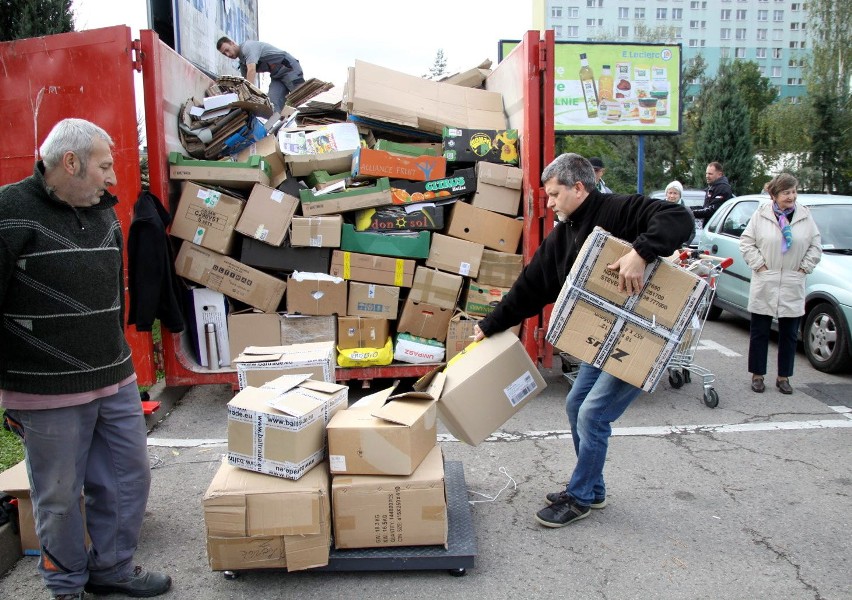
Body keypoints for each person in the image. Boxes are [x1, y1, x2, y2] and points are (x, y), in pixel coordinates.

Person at [473, 153, 693, 528]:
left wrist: (641, 251)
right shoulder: (564, 234)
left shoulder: (619, 210)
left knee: (593, 413)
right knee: (576, 402)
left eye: (555, 194)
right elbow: (531, 286)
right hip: (604, 336)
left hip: (642, 337)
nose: (550, 203)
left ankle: (579, 497)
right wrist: (490, 324)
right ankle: (593, 488)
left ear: (579, 187)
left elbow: (679, 219)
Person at [0, 119, 171, 600]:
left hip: (113, 377)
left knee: (126, 477)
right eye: (104, 165)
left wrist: (120, 360)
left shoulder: (100, 212)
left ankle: (112, 569)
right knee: (57, 497)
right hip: (45, 389)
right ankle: (66, 585)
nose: (112, 178)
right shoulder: (8, 211)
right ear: (70, 162)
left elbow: (113, 296)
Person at [739, 173, 821, 395]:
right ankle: (757, 375)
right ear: (774, 195)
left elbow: (815, 245)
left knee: (789, 334)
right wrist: (760, 266)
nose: (791, 196)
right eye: (786, 192)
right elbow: (747, 242)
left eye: (794, 191)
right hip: (766, 279)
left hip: (793, 281)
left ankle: (784, 377)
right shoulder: (761, 215)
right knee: (760, 331)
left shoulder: (805, 215)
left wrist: (805, 268)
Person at [216, 36, 305, 114]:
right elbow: (244, 83)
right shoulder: (242, 63)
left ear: (232, 43)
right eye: (224, 53)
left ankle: (314, 123)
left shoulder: (247, 47)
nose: (227, 54)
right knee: (273, 103)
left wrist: (248, 97)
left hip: (288, 67)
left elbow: (251, 70)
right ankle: (274, 131)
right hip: (277, 76)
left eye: (227, 50)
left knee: (301, 97)